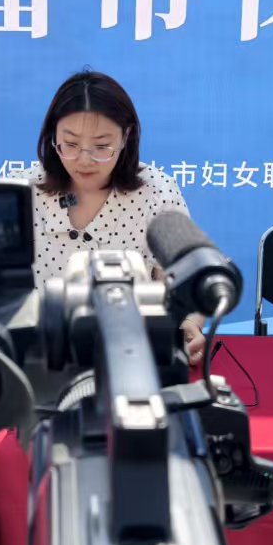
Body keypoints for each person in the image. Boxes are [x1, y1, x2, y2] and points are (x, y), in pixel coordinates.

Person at [28, 69, 207, 367]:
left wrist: (188, 324)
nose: (84, 160)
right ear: (52, 136)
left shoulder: (156, 192)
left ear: (126, 137)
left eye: (101, 146)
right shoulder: (24, 191)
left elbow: (186, 280)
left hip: (132, 359)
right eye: (70, 144)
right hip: (42, 359)